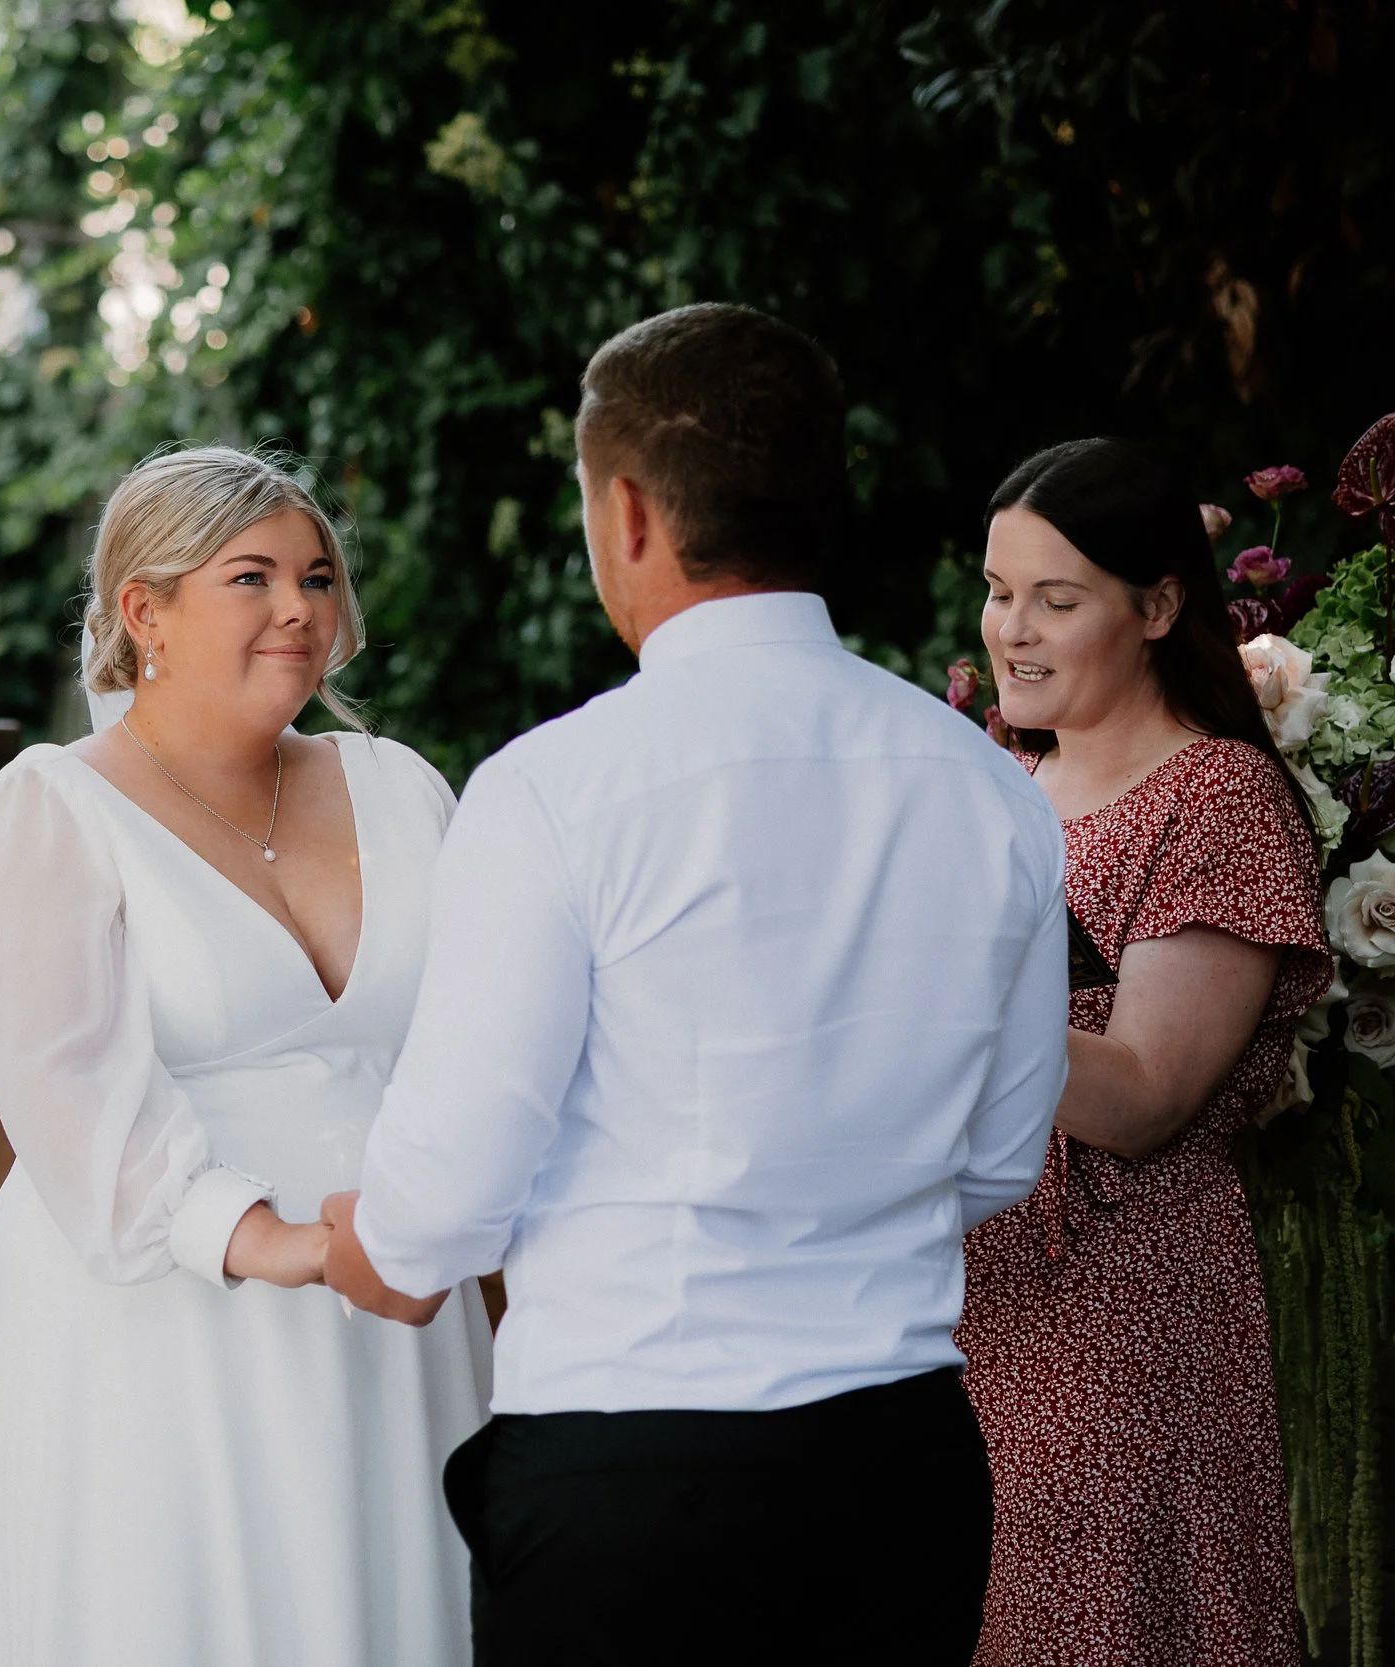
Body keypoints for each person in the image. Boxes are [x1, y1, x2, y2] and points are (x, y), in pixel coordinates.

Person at [321, 303, 1074, 1666]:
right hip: (900, 1461)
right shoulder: (989, 787)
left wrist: (374, 1239)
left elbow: (452, 1180)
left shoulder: (555, 789)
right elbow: (1003, 1155)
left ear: (627, 514)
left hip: (636, 1464)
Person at [0, 446, 493, 1667]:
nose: (298, 609)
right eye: (251, 577)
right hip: (169, 1316)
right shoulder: (53, 806)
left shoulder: (399, 785)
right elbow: (66, 1094)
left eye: (316, 577)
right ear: (143, 610)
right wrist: (288, 1243)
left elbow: (483, 1039)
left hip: (396, 1299)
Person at [957, 439, 1328, 1666]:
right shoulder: (993, 786)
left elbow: (1144, 1093)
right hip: (961, 1312)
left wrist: (924, 1004)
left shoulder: (1214, 798)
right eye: (999, 589)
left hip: (1122, 1321)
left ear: (1160, 606)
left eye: (1055, 599)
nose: (1012, 627)